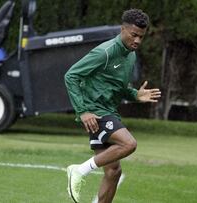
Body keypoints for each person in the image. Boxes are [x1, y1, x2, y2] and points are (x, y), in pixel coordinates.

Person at [64, 9, 161, 203]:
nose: (137, 41)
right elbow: (71, 76)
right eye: (134, 35)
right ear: (122, 29)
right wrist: (83, 111)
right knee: (129, 144)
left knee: (113, 171)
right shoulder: (105, 52)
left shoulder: (130, 55)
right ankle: (79, 170)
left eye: (141, 37)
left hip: (109, 111)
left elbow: (119, 87)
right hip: (96, 113)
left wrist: (135, 95)